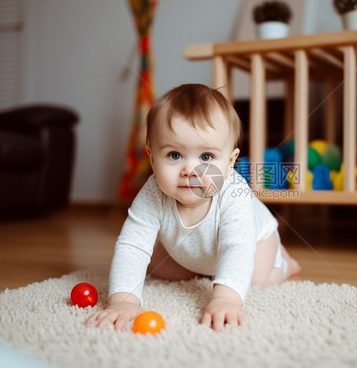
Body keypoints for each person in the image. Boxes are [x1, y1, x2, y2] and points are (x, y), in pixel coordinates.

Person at [85, 83, 300, 332]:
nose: (190, 171)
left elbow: (237, 247)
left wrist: (225, 299)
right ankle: (212, 271)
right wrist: (123, 300)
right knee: (158, 268)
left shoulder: (233, 192)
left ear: (230, 162)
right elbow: (133, 245)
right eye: (174, 155)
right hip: (195, 249)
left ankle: (285, 263)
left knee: (255, 279)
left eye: (206, 157)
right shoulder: (153, 192)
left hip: (253, 241)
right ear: (152, 158)